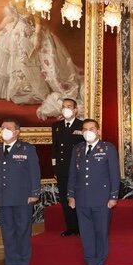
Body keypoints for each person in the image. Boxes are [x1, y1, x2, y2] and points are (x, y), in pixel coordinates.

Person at [0, 2, 83, 120]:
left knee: (30, 62)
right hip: (15, 34)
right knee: (16, 63)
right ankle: (17, 91)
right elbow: (10, 17)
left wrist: (37, 36)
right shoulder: (14, 1)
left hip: (30, 33)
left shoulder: (33, 1)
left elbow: (37, 20)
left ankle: (30, 92)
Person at [67, 119, 120, 265]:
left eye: (91, 128)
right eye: (85, 129)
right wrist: (71, 195)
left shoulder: (107, 148)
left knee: (101, 231)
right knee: (86, 232)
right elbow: (73, 174)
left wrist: (113, 196)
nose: (88, 131)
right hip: (82, 197)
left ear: (98, 130)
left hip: (102, 198)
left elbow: (114, 175)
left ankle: (100, 263)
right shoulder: (77, 149)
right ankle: (90, 263)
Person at [0, 120, 40, 265]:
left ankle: (23, 264)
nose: (4, 130)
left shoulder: (27, 149)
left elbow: (34, 173)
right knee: (7, 232)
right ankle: (11, 264)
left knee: (23, 230)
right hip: (2, 198)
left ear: (17, 131)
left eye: (8, 128)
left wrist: (34, 193)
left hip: (22, 197)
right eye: (2, 127)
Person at [51, 98, 84, 237]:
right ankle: (71, 227)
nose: (66, 109)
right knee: (65, 198)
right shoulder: (56, 126)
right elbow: (55, 149)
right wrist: (55, 168)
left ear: (75, 110)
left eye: (69, 106)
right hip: (63, 169)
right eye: (64, 106)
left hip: (77, 169)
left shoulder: (82, 125)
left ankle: (82, 226)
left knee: (79, 197)